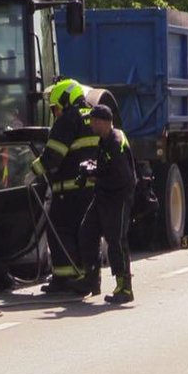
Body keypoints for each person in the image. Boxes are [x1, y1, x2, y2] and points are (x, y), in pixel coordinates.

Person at [24, 78, 99, 294]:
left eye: (55, 108)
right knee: (85, 233)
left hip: (69, 189)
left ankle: (64, 278)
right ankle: (88, 278)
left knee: (59, 229)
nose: (55, 113)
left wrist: (33, 171)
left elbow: (53, 155)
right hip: (92, 189)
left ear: (65, 100)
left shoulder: (68, 119)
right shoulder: (93, 116)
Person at [73, 104, 137, 303]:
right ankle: (91, 279)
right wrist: (92, 170)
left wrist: (96, 178)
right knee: (87, 232)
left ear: (101, 122)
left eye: (92, 120)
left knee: (116, 240)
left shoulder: (115, 142)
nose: (90, 123)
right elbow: (107, 168)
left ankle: (124, 287)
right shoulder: (105, 139)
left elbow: (124, 178)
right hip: (103, 195)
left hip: (118, 198)